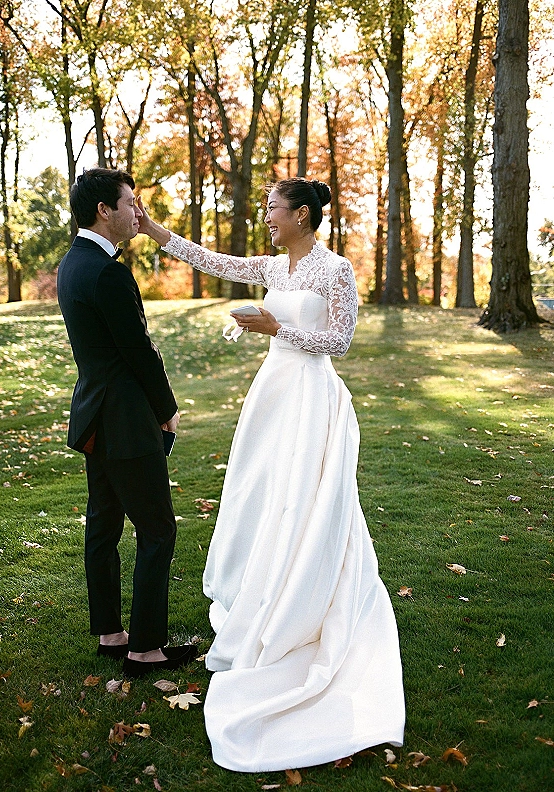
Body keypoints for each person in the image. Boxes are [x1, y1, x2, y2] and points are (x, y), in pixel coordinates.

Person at [138, 177, 405, 770]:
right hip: (273, 395)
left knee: (304, 497)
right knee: (262, 494)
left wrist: (274, 328)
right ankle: (261, 581)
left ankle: (301, 590)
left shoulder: (335, 270)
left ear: (302, 214)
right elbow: (206, 257)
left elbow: (340, 340)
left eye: (274, 209)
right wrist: (154, 230)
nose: (267, 218)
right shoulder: (274, 266)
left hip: (312, 396)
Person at [57, 168, 197, 677]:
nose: (137, 212)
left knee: (104, 524)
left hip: (95, 414)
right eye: (130, 203)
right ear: (105, 210)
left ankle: (110, 633)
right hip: (127, 420)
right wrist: (166, 409)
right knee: (157, 528)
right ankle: (145, 649)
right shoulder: (108, 272)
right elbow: (138, 351)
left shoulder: (72, 264)